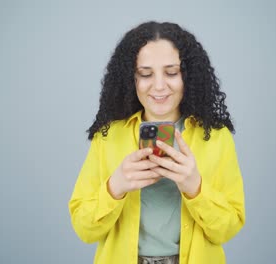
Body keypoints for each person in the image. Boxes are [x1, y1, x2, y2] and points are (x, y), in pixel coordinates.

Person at [69, 21, 245, 264]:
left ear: (188, 76)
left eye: (172, 72)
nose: (159, 85)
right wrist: (115, 186)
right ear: (131, 79)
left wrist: (195, 187)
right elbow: (84, 229)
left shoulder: (215, 136)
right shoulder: (108, 136)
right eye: (145, 74)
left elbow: (228, 229)